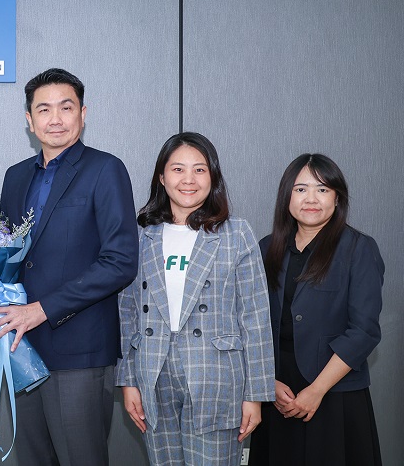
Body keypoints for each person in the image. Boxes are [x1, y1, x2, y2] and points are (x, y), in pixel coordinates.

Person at [0, 68, 139, 465]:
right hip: (21, 348)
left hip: (79, 350)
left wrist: (41, 310)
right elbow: (7, 257)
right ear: (29, 120)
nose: (55, 118)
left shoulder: (105, 169)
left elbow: (121, 262)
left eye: (66, 107)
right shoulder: (15, 177)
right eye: (44, 109)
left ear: (82, 114)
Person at [116, 132, 275, 465]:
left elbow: (255, 318)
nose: (188, 179)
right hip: (152, 373)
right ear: (162, 177)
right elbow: (128, 312)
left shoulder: (235, 233)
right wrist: (128, 380)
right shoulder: (141, 236)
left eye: (199, 170)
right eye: (177, 169)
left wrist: (256, 395)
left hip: (216, 376)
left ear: (213, 177)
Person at [248, 154, 383, 466]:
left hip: (334, 389)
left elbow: (364, 331)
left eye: (322, 189)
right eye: (300, 189)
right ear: (287, 197)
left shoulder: (359, 248)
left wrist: (316, 391)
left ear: (337, 197)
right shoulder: (266, 248)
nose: (311, 199)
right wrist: (267, 382)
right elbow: (251, 323)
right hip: (278, 391)